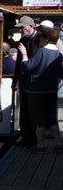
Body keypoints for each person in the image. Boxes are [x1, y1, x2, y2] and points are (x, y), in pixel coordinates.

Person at [20, 24, 62, 151]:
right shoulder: (58, 54)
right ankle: (59, 144)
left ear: (46, 39)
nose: (39, 39)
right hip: (51, 89)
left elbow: (27, 67)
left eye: (41, 37)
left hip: (36, 90)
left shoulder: (42, 51)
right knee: (52, 118)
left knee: (39, 119)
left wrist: (24, 55)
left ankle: (40, 145)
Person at [13, 16, 40, 146]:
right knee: (24, 108)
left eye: (23, 28)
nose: (21, 31)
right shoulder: (23, 40)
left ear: (31, 26)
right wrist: (15, 80)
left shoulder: (39, 39)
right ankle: (25, 136)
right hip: (24, 79)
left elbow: (36, 61)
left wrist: (24, 54)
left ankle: (35, 138)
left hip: (35, 80)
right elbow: (18, 62)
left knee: (34, 109)